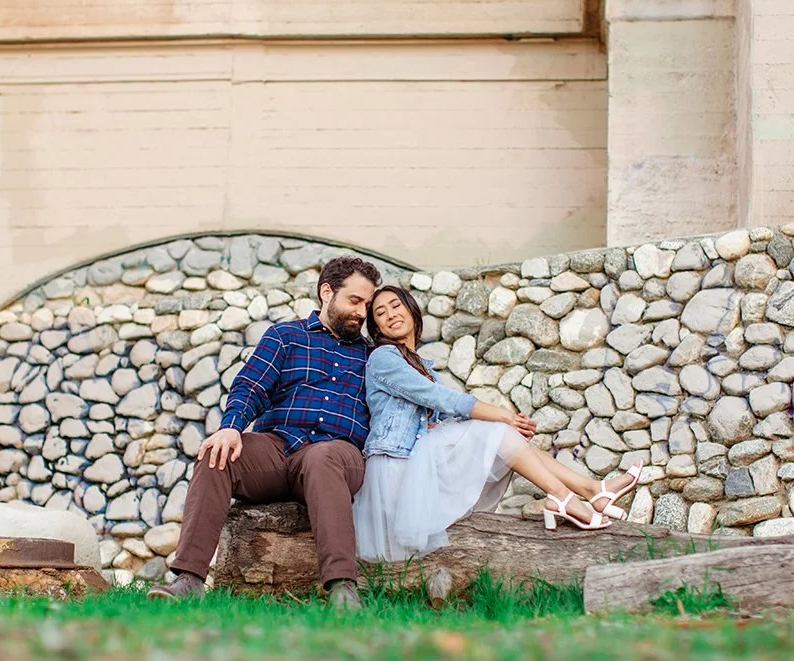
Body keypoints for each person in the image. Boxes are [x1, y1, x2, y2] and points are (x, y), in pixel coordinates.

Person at [149, 255, 382, 611]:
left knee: (323, 457)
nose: (363, 312)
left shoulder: (373, 355)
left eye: (367, 303)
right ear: (326, 292)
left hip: (337, 454)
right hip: (278, 447)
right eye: (355, 300)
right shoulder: (286, 336)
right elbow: (251, 386)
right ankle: (189, 578)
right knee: (216, 454)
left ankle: (342, 589)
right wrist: (231, 428)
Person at [353, 285, 642, 562]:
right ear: (376, 327)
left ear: (412, 311)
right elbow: (439, 398)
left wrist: (500, 425)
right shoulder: (383, 358)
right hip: (397, 467)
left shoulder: (423, 366)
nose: (390, 314)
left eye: (396, 305)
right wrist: (505, 416)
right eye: (380, 312)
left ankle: (590, 490)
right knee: (498, 432)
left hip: (419, 462)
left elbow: (441, 414)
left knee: (502, 438)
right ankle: (569, 496)